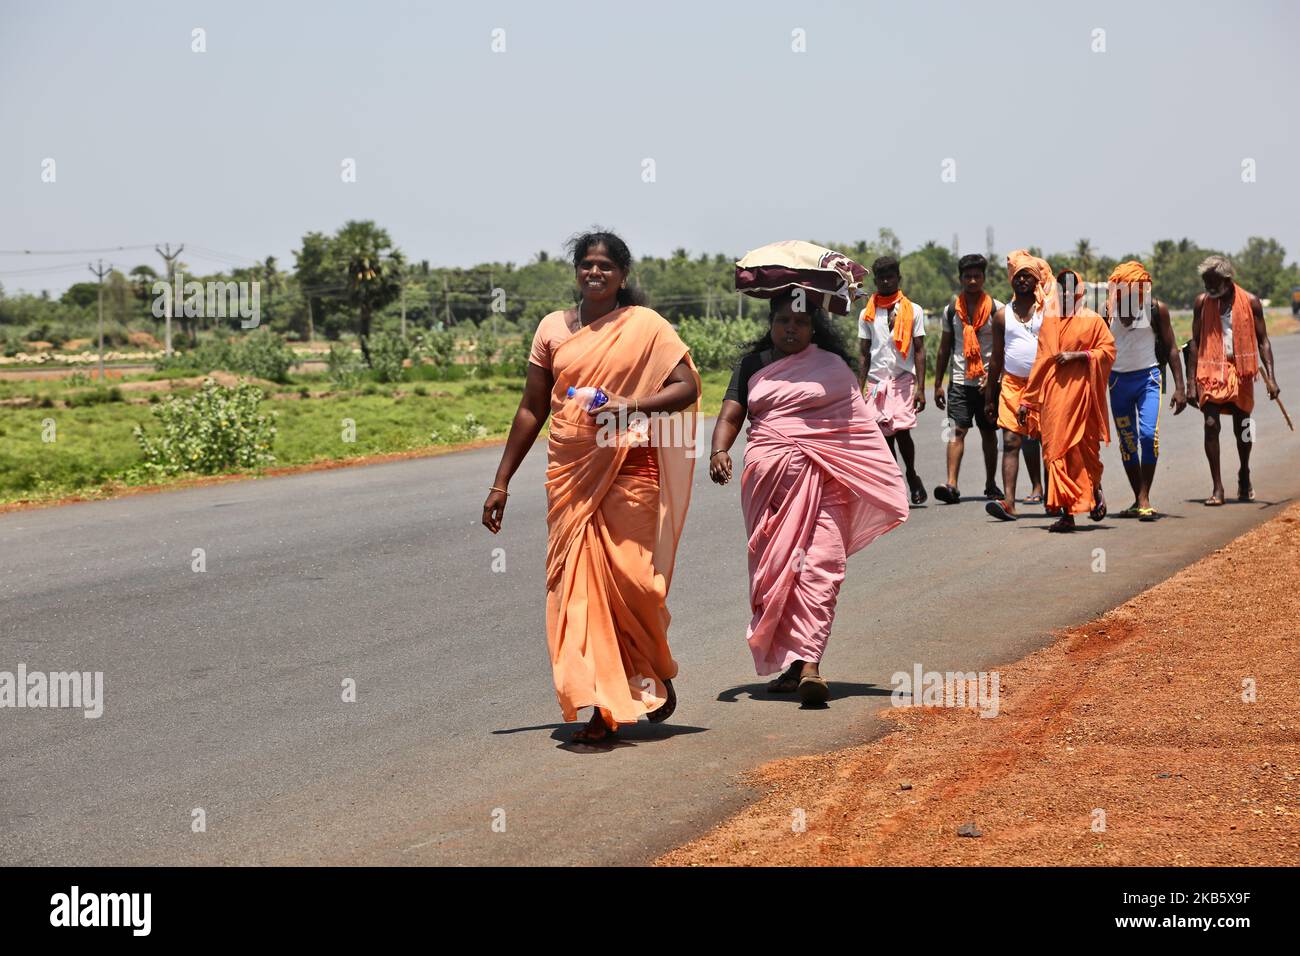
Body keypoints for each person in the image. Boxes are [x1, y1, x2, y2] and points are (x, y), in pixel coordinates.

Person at [481, 230, 700, 745]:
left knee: (635, 585)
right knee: (581, 593)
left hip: (630, 468)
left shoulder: (645, 326)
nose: (595, 272)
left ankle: (651, 668)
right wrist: (501, 482)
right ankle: (603, 709)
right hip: (571, 472)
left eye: (605, 265)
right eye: (586, 265)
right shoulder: (552, 329)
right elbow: (532, 407)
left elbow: (687, 387)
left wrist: (632, 406)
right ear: (576, 271)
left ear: (623, 275)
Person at [709, 288, 908, 705]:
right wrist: (719, 450)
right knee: (777, 570)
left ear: (814, 326)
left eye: (800, 321)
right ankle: (793, 664)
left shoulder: (832, 368)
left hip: (828, 483)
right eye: (783, 320)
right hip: (768, 489)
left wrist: (873, 473)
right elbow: (731, 413)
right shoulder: (753, 365)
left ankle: (810, 664)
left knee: (821, 567)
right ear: (771, 323)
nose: (790, 328)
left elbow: (856, 428)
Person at [1018, 265, 1116, 532]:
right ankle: (1067, 514)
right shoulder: (1050, 320)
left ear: (1079, 291)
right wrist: (1027, 400)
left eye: (1071, 289)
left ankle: (1094, 490)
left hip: (1083, 397)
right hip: (1054, 398)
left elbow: (1107, 351)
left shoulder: (1092, 320)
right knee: (1056, 453)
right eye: (1061, 289)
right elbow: (1041, 360)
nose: (1065, 294)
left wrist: (1079, 356)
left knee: (1085, 453)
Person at [1186, 255, 1280, 506]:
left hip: (1242, 369)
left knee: (1244, 427)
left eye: (1212, 282)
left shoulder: (1250, 302)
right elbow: (1194, 342)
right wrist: (1190, 382)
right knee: (1210, 422)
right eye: (1205, 282)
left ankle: (1245, 471)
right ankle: (1217, 487)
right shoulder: (1202, 303)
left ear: (1227, 280)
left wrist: (1271, 378)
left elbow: (1263, 341)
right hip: (1210, 367)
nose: (1208, 288)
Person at [1105, 260, 1188, 519]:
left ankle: (1144, 497)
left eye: (1134, 297)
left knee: (1148, 435)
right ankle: (1137, 498)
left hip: (1148, 379)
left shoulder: (1156, 309)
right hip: (1118, 382)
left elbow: (1172, 347)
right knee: (1128, 443)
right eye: (1124, 297)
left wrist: (1181, 387)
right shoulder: (1106, 311)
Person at [933, 254, 1004, 504]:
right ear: (960, 278)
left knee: (988, 433)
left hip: (988, 383)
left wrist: (996, 378)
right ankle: (951, 484)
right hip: (960, 381)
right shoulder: (951, 310)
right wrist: (938, 384)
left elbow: (1004, 348)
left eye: (977, 276)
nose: (972, 280)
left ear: (984, 278)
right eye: (967, 276)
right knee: (957, 431)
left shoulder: (997, 309)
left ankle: (991, 484)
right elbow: (944, 349)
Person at [857, 255, 928, 505]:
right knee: (884, 435)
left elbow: (919, 349)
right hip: (877, 382)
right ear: (876, 281)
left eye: (891, 276)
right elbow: (864, 353)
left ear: (899, 278)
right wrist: (859, 386)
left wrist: (921, 387)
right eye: (881, 278)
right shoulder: (867, 313)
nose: (886, 281)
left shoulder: (913, 310)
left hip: (902, 379)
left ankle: (911, 474)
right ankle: (896, 483)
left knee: (901, 432)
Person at [983, 255, 1048, 520]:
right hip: (1011, 385)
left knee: (1048, 443)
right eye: (1018, 275)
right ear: (1011, 280)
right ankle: (1009, 502)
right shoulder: (1001, 316)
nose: (1022, 280)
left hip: (1044, 384)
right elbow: (996, 358)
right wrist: (990, 396)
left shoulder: (1048, 312)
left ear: (1037, 280)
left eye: (1028, 276)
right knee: (1010, 441)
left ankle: (1054, 500)